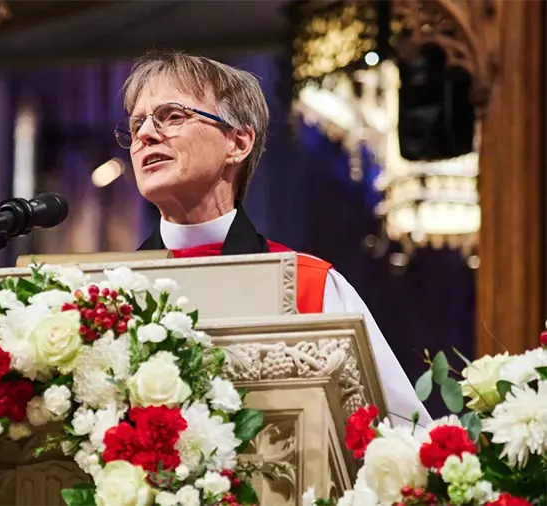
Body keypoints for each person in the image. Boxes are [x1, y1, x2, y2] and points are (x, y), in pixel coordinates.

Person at [115, 50, 431, 427]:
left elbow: (401, 433)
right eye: (136, 126)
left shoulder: (309, 287)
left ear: (238, 143)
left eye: (172, 116)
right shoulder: (104, 295)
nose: (146, 135)